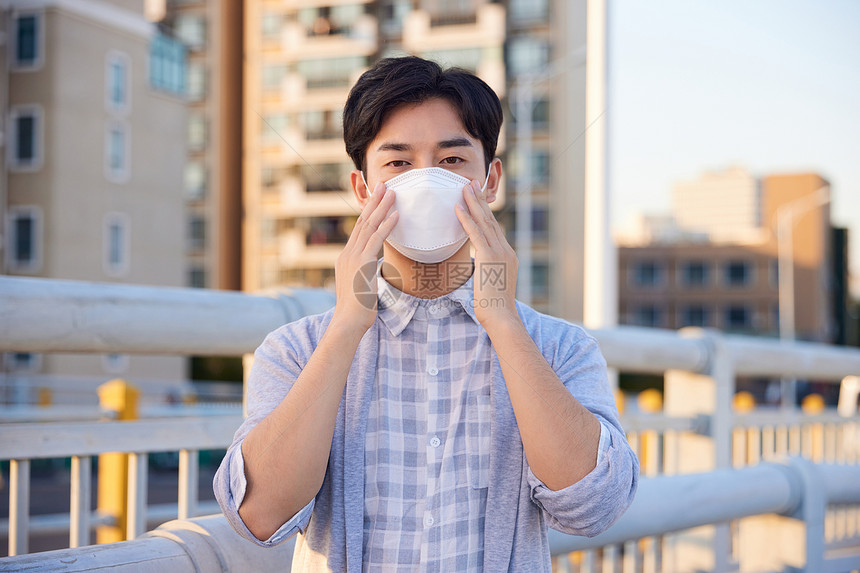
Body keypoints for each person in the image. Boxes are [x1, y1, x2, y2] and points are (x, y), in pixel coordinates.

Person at [214, 56, 638, 571]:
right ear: (363, 190)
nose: (426, 179)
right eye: (398, 163)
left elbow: (595, 507)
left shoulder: (560, 348)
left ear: (490, 181)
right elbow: (258, 516)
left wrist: (503, 320)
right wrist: (347, 323)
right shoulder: (296, 350)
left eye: (452, 161)